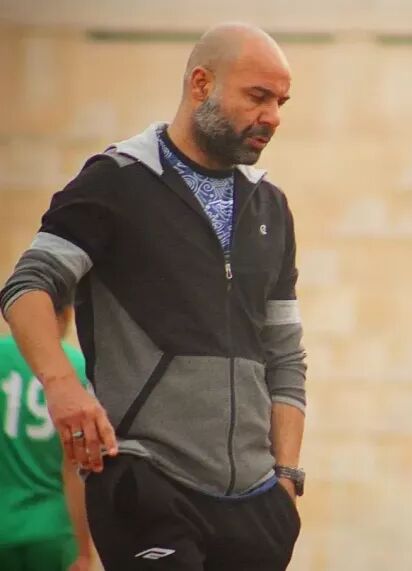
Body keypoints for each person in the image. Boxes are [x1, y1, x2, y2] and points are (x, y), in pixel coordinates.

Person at [0, 22, 307, 571]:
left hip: (257, 503)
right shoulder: (115, 181)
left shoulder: (271, 207)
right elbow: (27, 287)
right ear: (201, 84)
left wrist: (285, 478)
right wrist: (62, 386)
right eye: (257, 97)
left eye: (280, 102)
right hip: (146, 480)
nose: (273, 117)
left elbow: (285, 356)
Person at [0, 305, 94, 571]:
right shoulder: (78, 368)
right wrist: (84, 549)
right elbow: (76, 469)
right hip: (54, 528)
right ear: (66, 316)